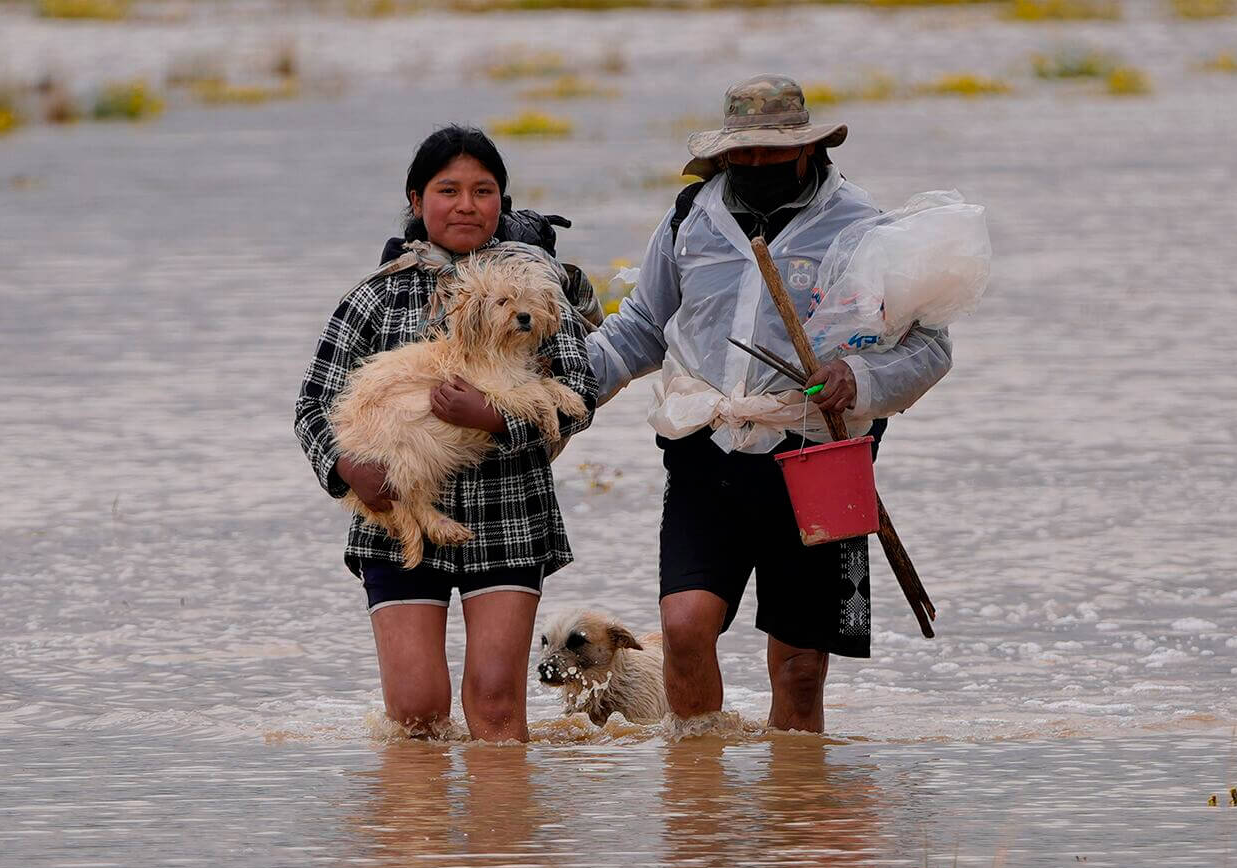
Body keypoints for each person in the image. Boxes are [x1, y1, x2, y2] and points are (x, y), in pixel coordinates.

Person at [588, 75, 953, 733]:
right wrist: (568, 390)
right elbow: (641, 326)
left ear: (808, 150)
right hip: (709, 445)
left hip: (823, 453)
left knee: (801, 669)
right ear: (725, 153)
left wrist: (858, 378)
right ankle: (701, 799)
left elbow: (929, 348)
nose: (756, 166)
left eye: (771, 153)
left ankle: (794, 813)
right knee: (684, 624)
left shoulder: (863, 226)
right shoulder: (688, 217)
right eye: (744, 154)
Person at [295, 125, 596, 742]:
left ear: (502, 204)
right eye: (448, 190)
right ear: (415, 201)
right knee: (415, 712)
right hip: (395, 514)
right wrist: (344, 469)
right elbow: (313, 404)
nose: (466, 205)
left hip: (510, 514)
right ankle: (420, 836)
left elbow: (579, 397)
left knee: (496, 706)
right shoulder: (376, 298)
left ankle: (499, 836)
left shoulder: (535, 289)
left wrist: (492, 417)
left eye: (483, 191)